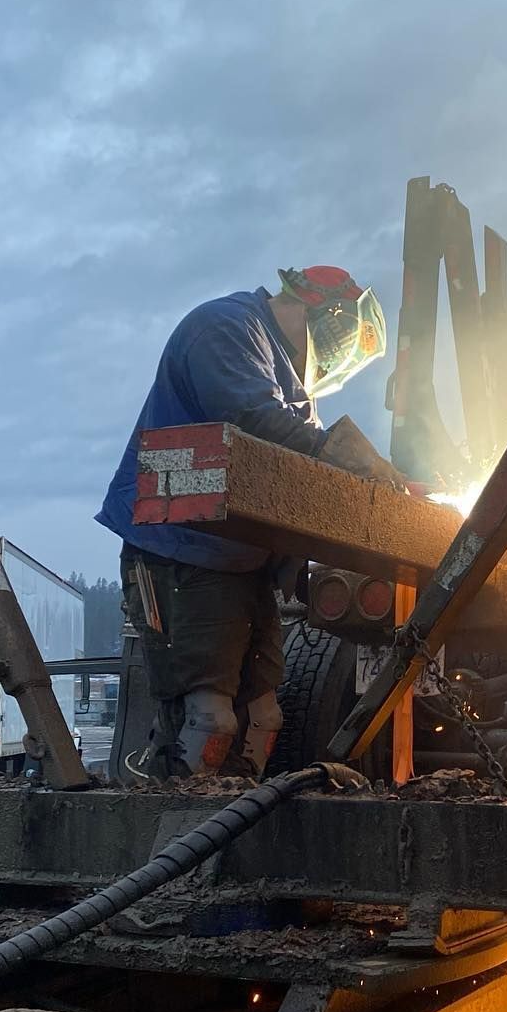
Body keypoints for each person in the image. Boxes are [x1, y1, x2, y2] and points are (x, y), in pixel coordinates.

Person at [97, 265, 405, 778]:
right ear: (326, 318)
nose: (332, 362)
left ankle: (232, 824)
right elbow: (254, 419)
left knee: (263, 716)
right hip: (182, 552)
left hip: (241, 560)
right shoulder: (226, 327)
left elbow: (292, 468)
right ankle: (183, 828)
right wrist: (352, 464)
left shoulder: (283, 375)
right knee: (208, 718)